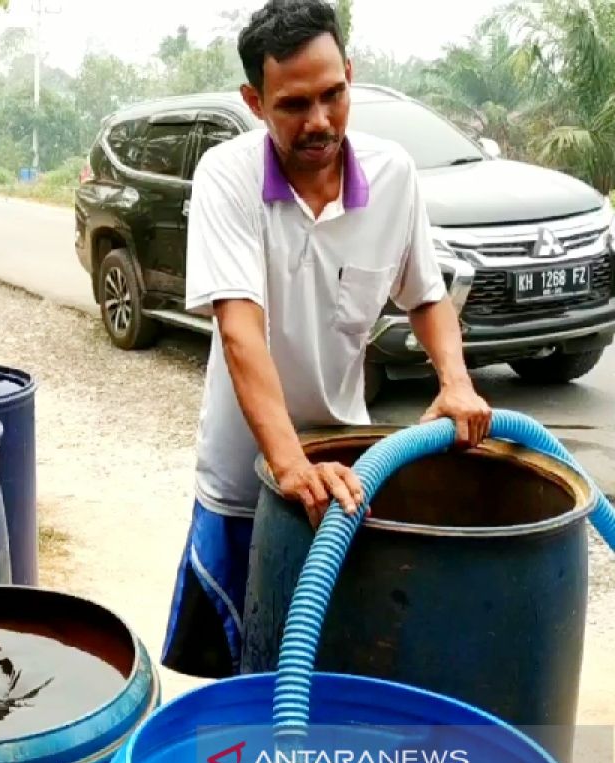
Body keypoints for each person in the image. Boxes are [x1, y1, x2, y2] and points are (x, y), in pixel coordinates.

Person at [160, 0, 492, 680]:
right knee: (238, 675)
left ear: (350, 73)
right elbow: (240, 330)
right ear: (254, 101)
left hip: (346, 465)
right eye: (293, 105)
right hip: (246, 477)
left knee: (337, 667)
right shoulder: (228, 178)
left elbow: (426, 295)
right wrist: (288, 466)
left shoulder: (394, 174)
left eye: (333, 95)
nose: (319, 122)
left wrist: (455, 381)